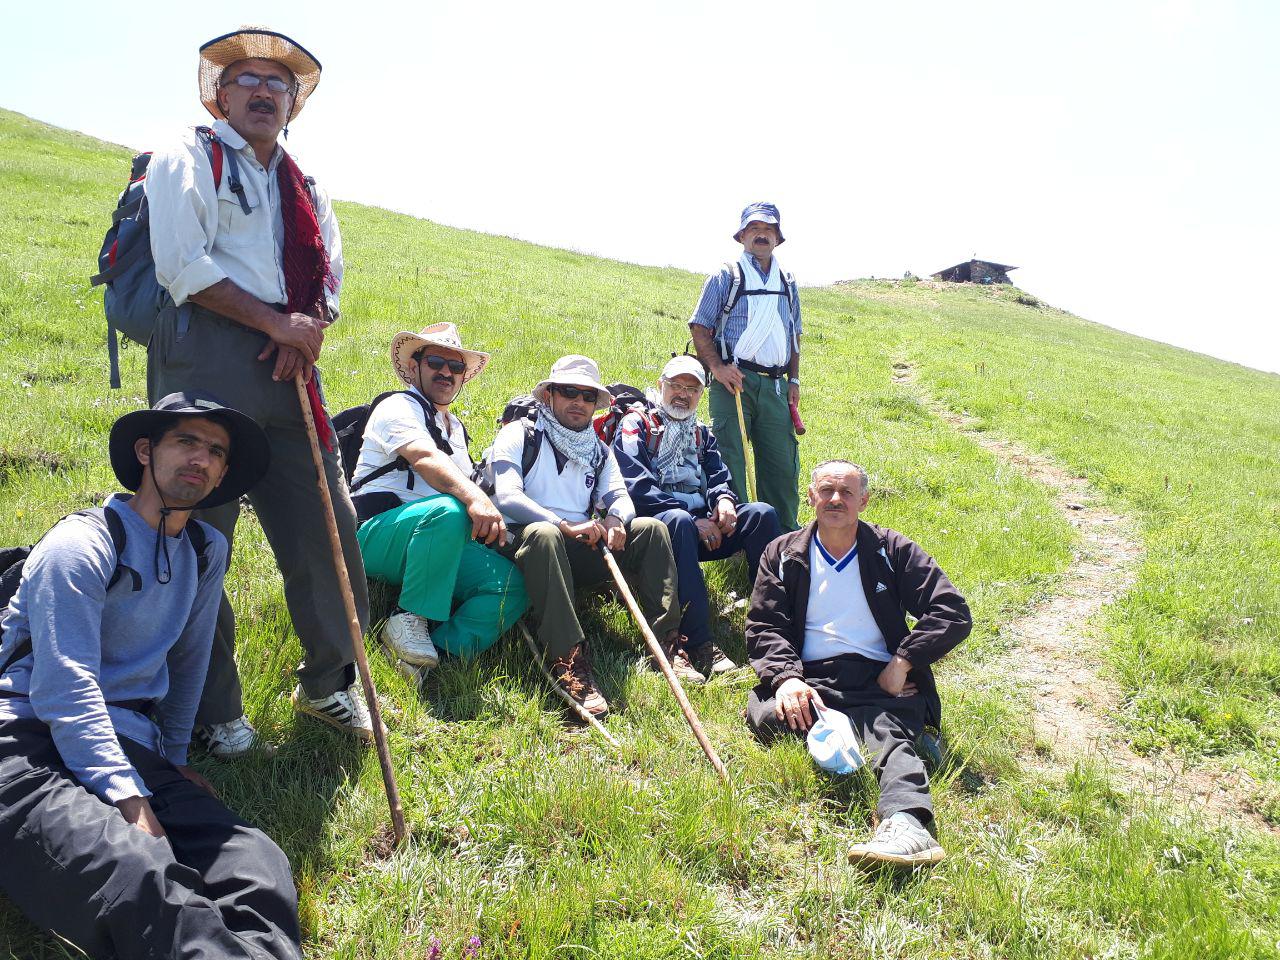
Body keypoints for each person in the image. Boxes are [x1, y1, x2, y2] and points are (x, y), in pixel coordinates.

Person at [0, 393, 304, 958]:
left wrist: (176, 759)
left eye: (216, 451)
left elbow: (189, 661)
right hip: (24, 741)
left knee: (256, 860)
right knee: (138, 871)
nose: (202, 459)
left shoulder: (205, 549)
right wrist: (129, 798)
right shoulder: (81, 544)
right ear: (145, 451)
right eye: (186, 441)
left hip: (126, 742)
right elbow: (65, 688)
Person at [145, 27, 371, 754]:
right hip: (207, 361)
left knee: (326, 522)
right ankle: (213, 712)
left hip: (291, 364)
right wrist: (276, 323)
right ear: (220, 94)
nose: (264, 91)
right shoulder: (189, 154)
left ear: (292, 104)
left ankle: (330, 685)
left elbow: (330, 276)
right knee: (198, 534)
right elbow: (183, 263)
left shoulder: (305, 185)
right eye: (247, 78)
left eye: (279, 84)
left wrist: (305, 328)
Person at [744, 460, 972, 868]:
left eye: (846, 492)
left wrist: (903, 662)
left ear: (863, 501)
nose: (836, 499)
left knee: (885, 731)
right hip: (811, 677)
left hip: (875, 676)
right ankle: (864, 728)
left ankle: (908, 827)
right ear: (811, 496)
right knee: (770, 716)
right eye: (827, 490)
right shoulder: (782, 553)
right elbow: (765, 623)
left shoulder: (891, 550)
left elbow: (951, 611)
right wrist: (786, 680)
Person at [493, 356, 685, 717]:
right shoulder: (519, 433)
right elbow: (508, 496)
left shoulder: (598, 450)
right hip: (522, 540)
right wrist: (563, 524)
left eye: (587, 395)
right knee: (545, 534)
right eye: (569, 392)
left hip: (573, 541)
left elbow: (620, 497)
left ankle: (666, 642)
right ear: (549, 395)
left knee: (651, 529)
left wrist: (615, 518)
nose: (578, 402)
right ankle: (567, 658)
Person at [350, 324, 528, 682]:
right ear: (414, 367)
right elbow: (424, 458)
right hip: (375, 534)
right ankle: (407, 619)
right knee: (450, 510)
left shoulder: (456, 428)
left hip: (439, 540)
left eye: (456, 367)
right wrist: (475, 499)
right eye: (435, 362)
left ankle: (434, 656)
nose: (446, 373)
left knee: (512, 585)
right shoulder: (397, 406)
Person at [612, 354, 780, 677]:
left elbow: (719, 476)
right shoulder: (637, 425)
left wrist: (725, 502)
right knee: (678, 521)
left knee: (762, 515)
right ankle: (699, 643)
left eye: (693, 389)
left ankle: (771, 623)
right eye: (676, 385)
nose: (683, 394)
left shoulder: (701, 432)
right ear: (661, 386)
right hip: (660, 526)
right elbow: (636, 486)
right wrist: (693, 517)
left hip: (700, 522)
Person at [688, 201, 803, 532]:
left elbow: (794, 334)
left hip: (777, 385)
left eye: (769, 229)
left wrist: (794, 380)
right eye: (755, 228)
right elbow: (700, 326)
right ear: (741, 236)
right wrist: (719, 369)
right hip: (733, 381)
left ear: (778, 238)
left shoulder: (787, 281)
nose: (762, 235)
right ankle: (737, 539)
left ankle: (782, 537)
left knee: (781, 464)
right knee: (731, 461)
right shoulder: (726, 276)